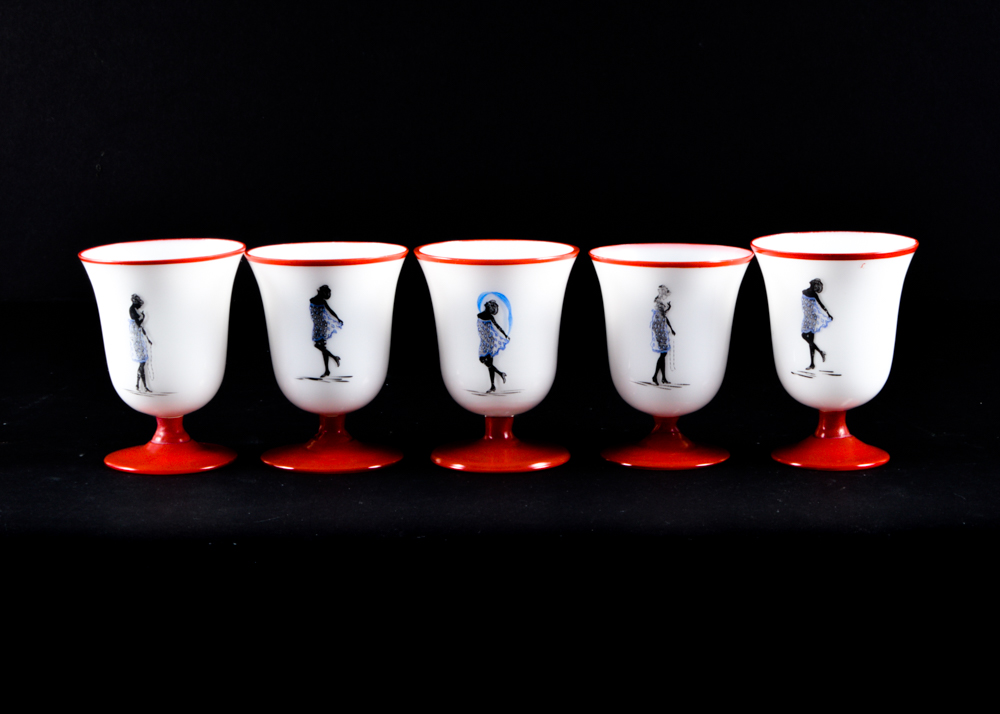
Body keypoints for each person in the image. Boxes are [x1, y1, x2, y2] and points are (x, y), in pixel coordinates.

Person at [310, 285, 344, 377]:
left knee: (319, 346)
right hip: (317, 325)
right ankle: (328, 368)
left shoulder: (321, 301)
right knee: (322, 348)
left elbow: (330, 311)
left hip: (321, 326)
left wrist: (337, 318)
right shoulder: (314, 300)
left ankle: (332, 361)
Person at [477, 299, 509, 393]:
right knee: (483, 360)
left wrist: (505, 335)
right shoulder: (479, 315)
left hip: (489, 342)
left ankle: (492, 386)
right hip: (483, 341)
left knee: (489, 363)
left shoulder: (490, 317)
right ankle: (500, 374)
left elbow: (498, 326)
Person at [801, 278, 833, 369]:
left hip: (812, 318)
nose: (815, 287)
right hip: (806, 318)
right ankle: (820, 352)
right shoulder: (804, 291)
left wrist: (828, 313)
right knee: (804, 336)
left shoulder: (814, 294)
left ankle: (812, 364)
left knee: (810, 340)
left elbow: (821, 305)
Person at [650, 285, 676, 385]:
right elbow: (661, 316)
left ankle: (663, 377)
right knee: (663, 354)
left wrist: (668, 308)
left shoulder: (659, 303)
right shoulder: (658, 302)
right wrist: (670, 328)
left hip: (661, 329)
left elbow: (663, 315)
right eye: (665, 293)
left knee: (663, 354)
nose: (666, 295)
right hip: (659, 330)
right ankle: (655, 376)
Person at [128, 294, 153, 392]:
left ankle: (138, 385)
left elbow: (140, 327)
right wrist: (143, 317)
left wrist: (147, 338)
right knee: (142, 362)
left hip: (138, 337)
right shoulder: (133, 310)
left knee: (142, 362)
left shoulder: (133, 309)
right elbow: (139, 324)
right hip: (137, 339)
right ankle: (143, 386)